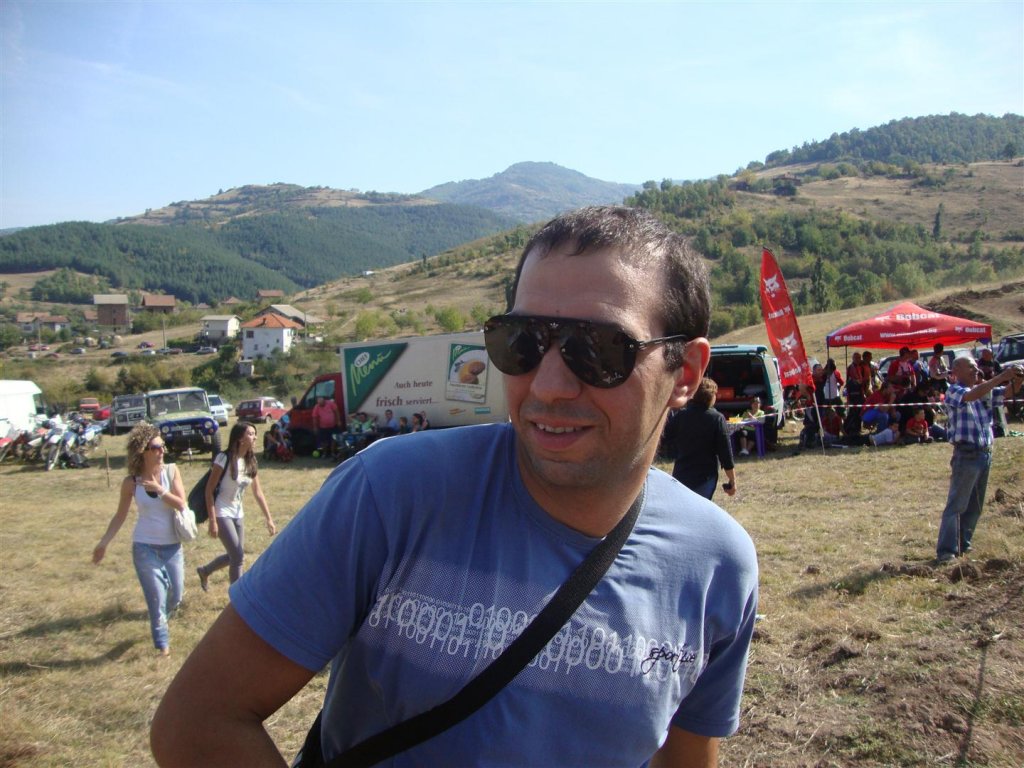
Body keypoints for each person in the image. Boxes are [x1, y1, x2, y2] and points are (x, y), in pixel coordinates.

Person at [151, 206, 759, 767]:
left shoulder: (715, 565)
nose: (549, 385)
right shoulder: (389, 494)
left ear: (686, 373)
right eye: (523, 342)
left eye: (600, 349)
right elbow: (197, 721)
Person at [92, 422, 187, 656]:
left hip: (172, 547)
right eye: (156, 447)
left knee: (176, 595)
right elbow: (120, 515)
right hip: (144, 548)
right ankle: (163, 646)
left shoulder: (171, 471)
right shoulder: (131, 483)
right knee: (156, 598)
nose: (161, 451)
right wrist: (103, 543)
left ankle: (162, 618)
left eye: (162, 446)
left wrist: (160, 490)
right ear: (143, 451)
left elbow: (181, 504)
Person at [934, 357, 1024, 563]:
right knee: (957, 504)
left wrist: (1017, 379)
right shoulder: (954, 390)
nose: (976, 370)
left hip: (984, 453)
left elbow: (1007, 393)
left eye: (976, 366)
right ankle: (946, 551)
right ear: (957, 370)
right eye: (971, 367)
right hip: (967, 454)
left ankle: (963, 545)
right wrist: (1001, 376)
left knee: (975, 505)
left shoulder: (983, 390)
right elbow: (970, 395)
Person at [196, 423, 276, 591]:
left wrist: (268, 518)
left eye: (255, 434)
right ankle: (237, 598)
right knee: (238, 556)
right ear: (240, 438)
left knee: (235, 555)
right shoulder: (223, 458)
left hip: (238, 513)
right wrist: (212, 521)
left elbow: (258, 492)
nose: (255, 437)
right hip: (221, 511)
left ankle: (205, 571)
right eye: (251, 434)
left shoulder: (251, 461)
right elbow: (209, 490)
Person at [663, 377, 738, 500]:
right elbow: (725, 453)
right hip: (704, 478)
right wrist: (732, 480)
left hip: (681, 474)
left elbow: (664, 437)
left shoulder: (681, 415)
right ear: (711, 396)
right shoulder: (716, 418)